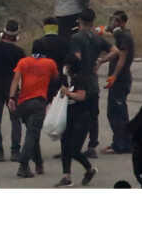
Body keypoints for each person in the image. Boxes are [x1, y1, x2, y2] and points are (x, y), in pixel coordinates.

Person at [12, 38, 60, 179]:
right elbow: (56, 80)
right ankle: (23, 164)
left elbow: (15, 80)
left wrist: (11, 98)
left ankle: (38, 163)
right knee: (32, 134)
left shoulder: (23, 62)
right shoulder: (50, 63)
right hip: (39, 103)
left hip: (23, 103)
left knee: (33, 134)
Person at [65, 18, 107, 156]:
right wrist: (100, 61)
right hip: (92, 81)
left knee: (75, 114)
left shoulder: (76, 39)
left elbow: (76, 57)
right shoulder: (96, 38)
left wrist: (71, 69)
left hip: (80, 80)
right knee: (93, 115)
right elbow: (115, 50)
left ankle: (72, 146)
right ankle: (92, 146)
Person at [0, 21, 24, 161]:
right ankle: (15, 152)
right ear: (16, 35)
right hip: (12, 90)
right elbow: (23, 72)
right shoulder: (19, 52)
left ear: (4, 32)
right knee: (15, 121)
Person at [57, 54, 99, 184]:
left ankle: (89, 169)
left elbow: (81, 96)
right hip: (70, 116)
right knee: (65, 146)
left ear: (71, 66)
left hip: (82, 118)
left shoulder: (81, 79)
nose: (65, 68)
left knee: (74, 149)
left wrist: (67, 93)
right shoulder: (70, 79)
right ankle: (66, 176)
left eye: (67, 65)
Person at [104, 9, 137, 151]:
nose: (112, 22)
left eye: (116, 20)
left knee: (118, 113)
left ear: (122, 23)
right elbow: (115, 53)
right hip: (119, 80)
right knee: (114, 112)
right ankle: (119, 142)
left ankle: (122, 144)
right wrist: (101, 60)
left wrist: (114, 76)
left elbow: (122, 59)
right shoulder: (120, 36)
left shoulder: (124, 37)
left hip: (121, 80)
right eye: (112, 19)